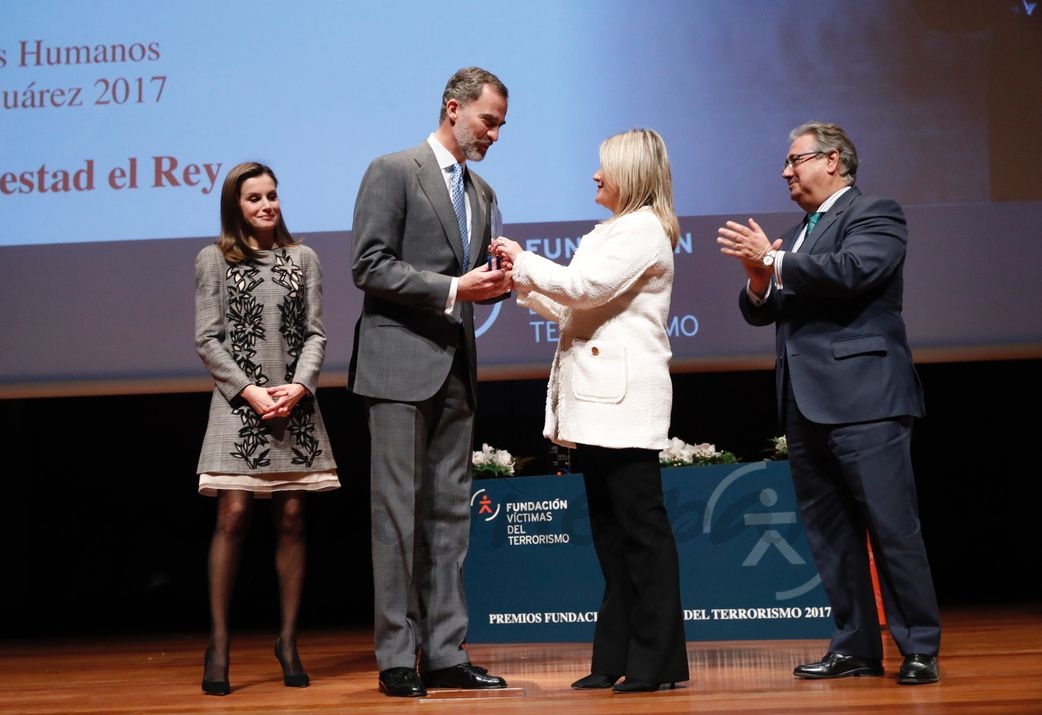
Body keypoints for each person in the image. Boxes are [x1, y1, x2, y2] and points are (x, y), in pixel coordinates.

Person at [716, 121, 941, 685]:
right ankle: (855, 646)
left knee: (892, 528)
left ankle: (919, 647)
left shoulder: (876, 213)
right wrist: (757, 276)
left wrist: (774, 263)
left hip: (867, 399)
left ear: (834, 160)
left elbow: (853, 271)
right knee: (830, 534)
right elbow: (762, 310)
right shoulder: (794, 236)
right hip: (804, 401)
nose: (786, 171)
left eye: (796, 160)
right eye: (786, 163)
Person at [493, 128, 690, 694]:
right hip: (598, 404)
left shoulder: (644, 230)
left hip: (624, 402)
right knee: (611, 534)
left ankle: (656, 664)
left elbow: (586, 287)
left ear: (631, 174)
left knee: (641, 534)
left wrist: (526, 260)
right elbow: (578, 308)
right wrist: (522, 282)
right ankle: (615, 657)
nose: (596, 176)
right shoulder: (612, 229)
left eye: (605, 167)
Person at [348, 66, 513, 698]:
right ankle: (396, 655)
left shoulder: (483, 193)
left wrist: (493, 278)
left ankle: (445, 653)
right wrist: (452, 288)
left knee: (450, 518)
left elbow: (469, 281)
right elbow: (368, 264)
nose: (495, 134)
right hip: (397, 366)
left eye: (500, 124)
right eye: (488, 121)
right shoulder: (393, 170)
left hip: (455, 368)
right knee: (395, 518)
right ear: (453, 108)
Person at [194, 161, 340, 696]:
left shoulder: (303, 259)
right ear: (236, 206)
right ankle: (219, 641)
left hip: (292, 406)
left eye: (272, 195)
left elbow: (317, 334)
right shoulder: (214, 259)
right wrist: (251, 392)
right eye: (254, 197)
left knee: (293, 519)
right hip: (239, 405)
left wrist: (299, 387)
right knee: (232, 514)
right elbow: (208, 339)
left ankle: (287, 640)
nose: (266, 205)